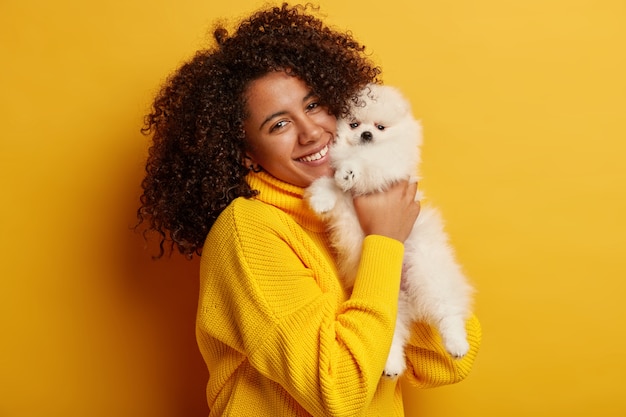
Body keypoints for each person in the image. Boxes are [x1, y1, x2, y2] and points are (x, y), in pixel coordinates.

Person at [138, 3, 481, 416]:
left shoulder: (365, 206)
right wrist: (382, 244)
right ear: (247, 154)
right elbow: (336, 392)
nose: (311, 131)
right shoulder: (249, 231)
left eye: (315, 104)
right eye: (278, 125)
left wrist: (396, 248)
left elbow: (444, 363)